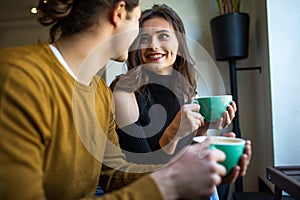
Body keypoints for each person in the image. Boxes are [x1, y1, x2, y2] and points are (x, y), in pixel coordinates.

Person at [0, 1, 249, 200]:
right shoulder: (15, 78)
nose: (146, 42)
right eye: (139, 25)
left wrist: (195, 169)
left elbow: (115, 174)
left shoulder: (98, 91)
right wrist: (171, 180)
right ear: (119, 13)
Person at [110, 4, 252, 200]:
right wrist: (172, 133)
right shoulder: (124, 94)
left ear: (180, 44)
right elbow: (140, 176)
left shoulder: (184, 91)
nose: (153, 45)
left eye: (163, 36)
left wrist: (201, 131)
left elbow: (183, 158)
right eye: (144, 38)